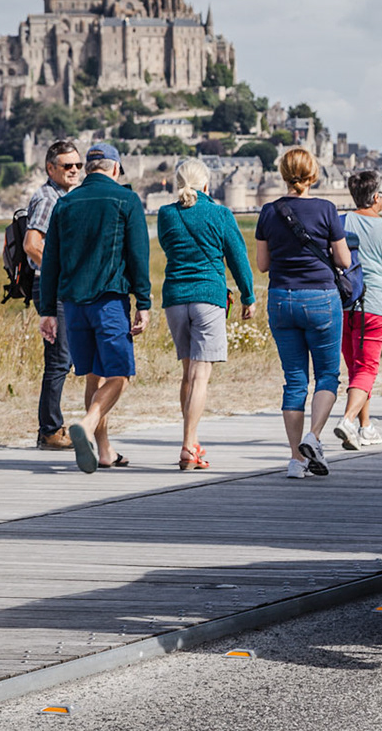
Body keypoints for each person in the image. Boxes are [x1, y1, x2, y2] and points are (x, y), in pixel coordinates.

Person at [36, 141, 151, 474]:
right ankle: (86, 426)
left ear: (87, 169)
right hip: (108, 300)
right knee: (120, 375)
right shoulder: (126, 200)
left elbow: (51, 260)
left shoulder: (66, 202)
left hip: (72, 306)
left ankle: (104, 451)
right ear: (115, 169)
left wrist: (46, 310)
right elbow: (138, 256)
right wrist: (143, 301)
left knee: (92, 376)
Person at [255, 146, 352, 479]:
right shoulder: (326, 209)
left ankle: (296, 460)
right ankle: (314, 437)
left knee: (294, 381)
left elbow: (263, 265)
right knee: (327, 376)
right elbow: (344, 261)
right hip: (321, 298)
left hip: (282, 298)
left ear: (283, 174)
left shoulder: (269, 212)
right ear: (314, 175)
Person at [154, 157, 256, 471]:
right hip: (208, 297)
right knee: (201, 377)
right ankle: (189, 444)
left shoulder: (165, 214)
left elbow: (169, 249)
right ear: (208, 184)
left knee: (188, 374)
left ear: (176, 184)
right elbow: (238, 257)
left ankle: (190, 441)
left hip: (175, 298)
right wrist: (248, 296)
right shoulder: (221, 214)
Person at [22, 138, 84, 450]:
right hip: (51, 285)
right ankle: (49, 429)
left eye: (78, 165)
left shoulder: (62, 195)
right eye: (67, 166)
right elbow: (32, 244)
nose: (74, 170)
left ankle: (50, 426)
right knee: (59, 359)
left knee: (63, 356)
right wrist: (61, 270)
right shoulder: (48, 198)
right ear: (51, 168)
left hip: (57, 285)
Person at [330, 169, 382, 450]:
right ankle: (347, 420)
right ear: (377, 197)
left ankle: (365, 427)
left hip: (344, 303)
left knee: (356, 368)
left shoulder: (341, 222)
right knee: (367, 368)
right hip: (377, 303)